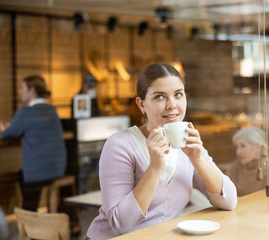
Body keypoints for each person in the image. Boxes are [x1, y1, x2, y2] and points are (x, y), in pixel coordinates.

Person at [86, 63, 237, 239]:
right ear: (141, 104)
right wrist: (154, 168)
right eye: (160, 97)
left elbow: (229, 201)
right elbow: (121, 225)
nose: (172, 105)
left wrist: (198, 160)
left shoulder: (187, 142)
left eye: (178, 95)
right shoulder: (120, 145)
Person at [0, 75, 67, 211]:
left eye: (21, 88)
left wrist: (4, 129)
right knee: (22, 176)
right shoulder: (52, 110)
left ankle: (30, 217)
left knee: (23, 179)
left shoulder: (25, 112)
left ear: (32, 91)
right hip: (58, 168)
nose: (19, 91)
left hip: (39, 173)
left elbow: (6, 135)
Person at [226, 127, 269, 197]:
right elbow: (225, 194)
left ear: (258, 148)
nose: (238, 152)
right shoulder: (234, 168)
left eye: (243, 146)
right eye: (237, 147)